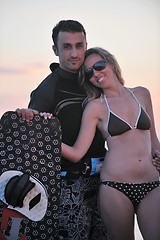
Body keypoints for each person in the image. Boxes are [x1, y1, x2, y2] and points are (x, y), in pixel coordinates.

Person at [16, 20, 108, 240]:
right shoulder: (48, 88)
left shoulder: (96, 80)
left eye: (79, 45)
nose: (74, 53)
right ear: (56, 50)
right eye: (67, 47)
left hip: (105, 182)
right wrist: (27, 117)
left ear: (86, 45)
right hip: (67, 187)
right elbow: (32, 141)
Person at [61, 47, 160, 240]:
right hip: (115, 188)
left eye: (99, 66)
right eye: (89, 72)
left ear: (111, 63)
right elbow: (76, 153)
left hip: (152, 184)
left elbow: (154, 141)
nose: (96, 74)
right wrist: (46, 138)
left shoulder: (142, 94)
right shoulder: (95, 107)